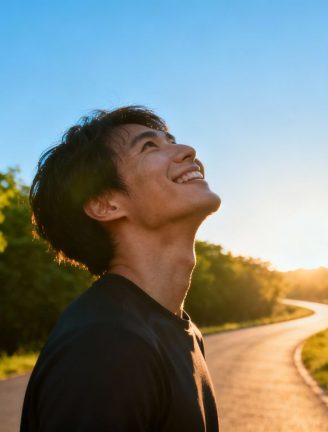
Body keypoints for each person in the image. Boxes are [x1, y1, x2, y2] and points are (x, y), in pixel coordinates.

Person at [20, 106, 221, 431]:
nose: (188, 151)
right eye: (149, 146)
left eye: (171, 141)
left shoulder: (180, 331)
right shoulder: (104, 346)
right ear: (106, 204)